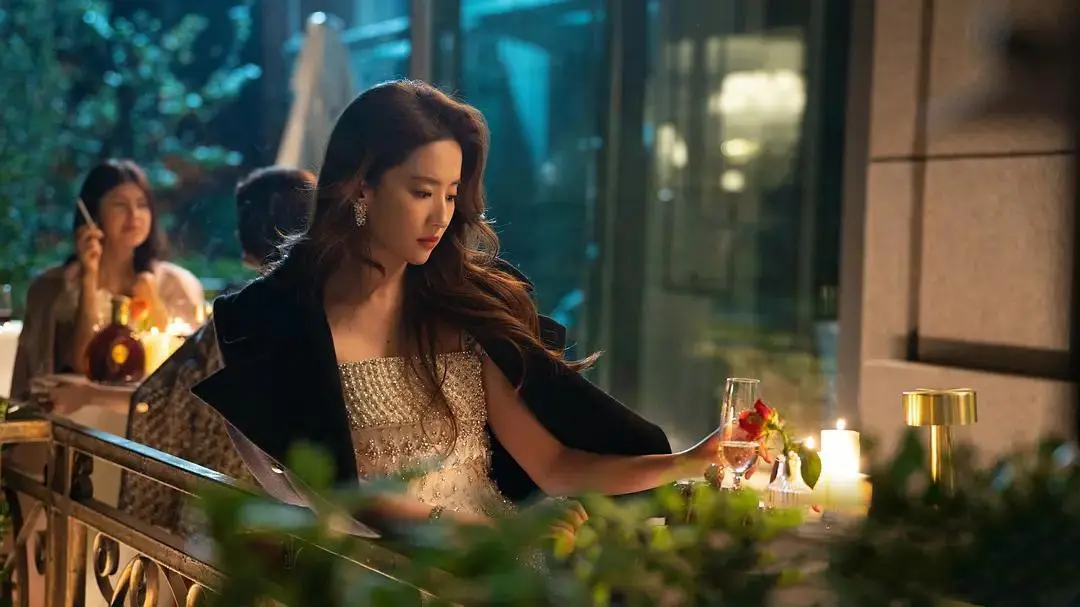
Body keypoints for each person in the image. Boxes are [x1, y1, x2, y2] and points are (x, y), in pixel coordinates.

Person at [193, 80, 724, 532]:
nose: (442, 216)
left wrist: (689, 460)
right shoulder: (282, 324)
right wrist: (484, 535)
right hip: (389, 569)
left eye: (451, 194)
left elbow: (555, 465)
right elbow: (339, 496)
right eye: (422, 192)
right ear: (361, 187)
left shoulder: (460, 312)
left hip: (501, 556)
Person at [119, 166, 315, 534]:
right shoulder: (334, 306)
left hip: (232, 507)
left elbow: (174, 394)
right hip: (305, 514)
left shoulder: (243, 313)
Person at [11, 159, 203, 401]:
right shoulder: (56, 287)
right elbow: (82, 363)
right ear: (94, 214)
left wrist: (151, 298)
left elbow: (178, 369)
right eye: (120, 205)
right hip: (74, 411)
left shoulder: (175, 283)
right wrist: (89, 278)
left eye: (142, 205)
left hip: (146, 413)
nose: (134, 215)